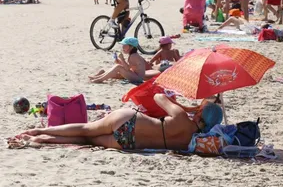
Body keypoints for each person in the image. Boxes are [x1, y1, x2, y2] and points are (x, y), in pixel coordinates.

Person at [16, 94, 223, 151]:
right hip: (129, 143)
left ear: (199, 113)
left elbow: (159, 96)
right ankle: (43, 139)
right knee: (87, 140)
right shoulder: (191, 142)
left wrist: (186, 108)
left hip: (131, 120)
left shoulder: (180, 116)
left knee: (86, 128)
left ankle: (37, 130)